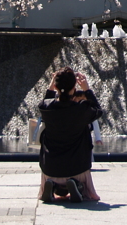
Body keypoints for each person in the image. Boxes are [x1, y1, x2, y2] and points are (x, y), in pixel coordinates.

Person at [37, 67, 102, 203]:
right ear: (74, 87)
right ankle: (77, 186)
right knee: (83, 133)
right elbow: (98, 110)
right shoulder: (81, 109)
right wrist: (87, 89)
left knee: (54, 174)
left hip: (51, 168)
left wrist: (52, 85)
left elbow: (46, 100)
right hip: (77, 167)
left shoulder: (47, 107)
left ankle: (52, 186)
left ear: (55, 86)